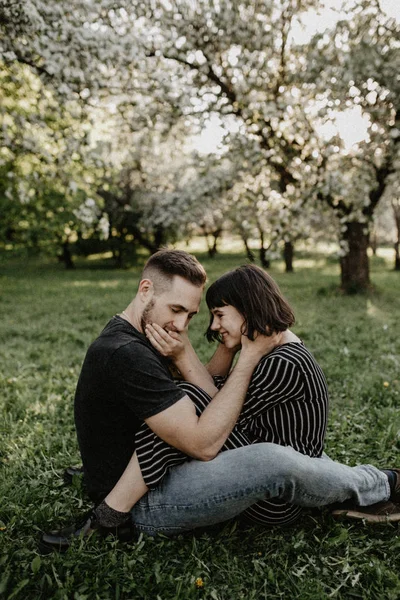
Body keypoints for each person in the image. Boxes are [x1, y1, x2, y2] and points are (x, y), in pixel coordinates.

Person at [41, 252, 400, 553]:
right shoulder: (128, 351)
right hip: (211, 470)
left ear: (247, 311)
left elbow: (218, 418)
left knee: (219, 421)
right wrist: (228, 354)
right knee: (198, 406)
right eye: (178, 309)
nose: (187, 325)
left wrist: (215, 358)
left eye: (208, 315)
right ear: (145, 289)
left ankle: (380, 484)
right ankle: (110, 514)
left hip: (275, 488)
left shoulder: (281, 362)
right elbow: (213, 418)